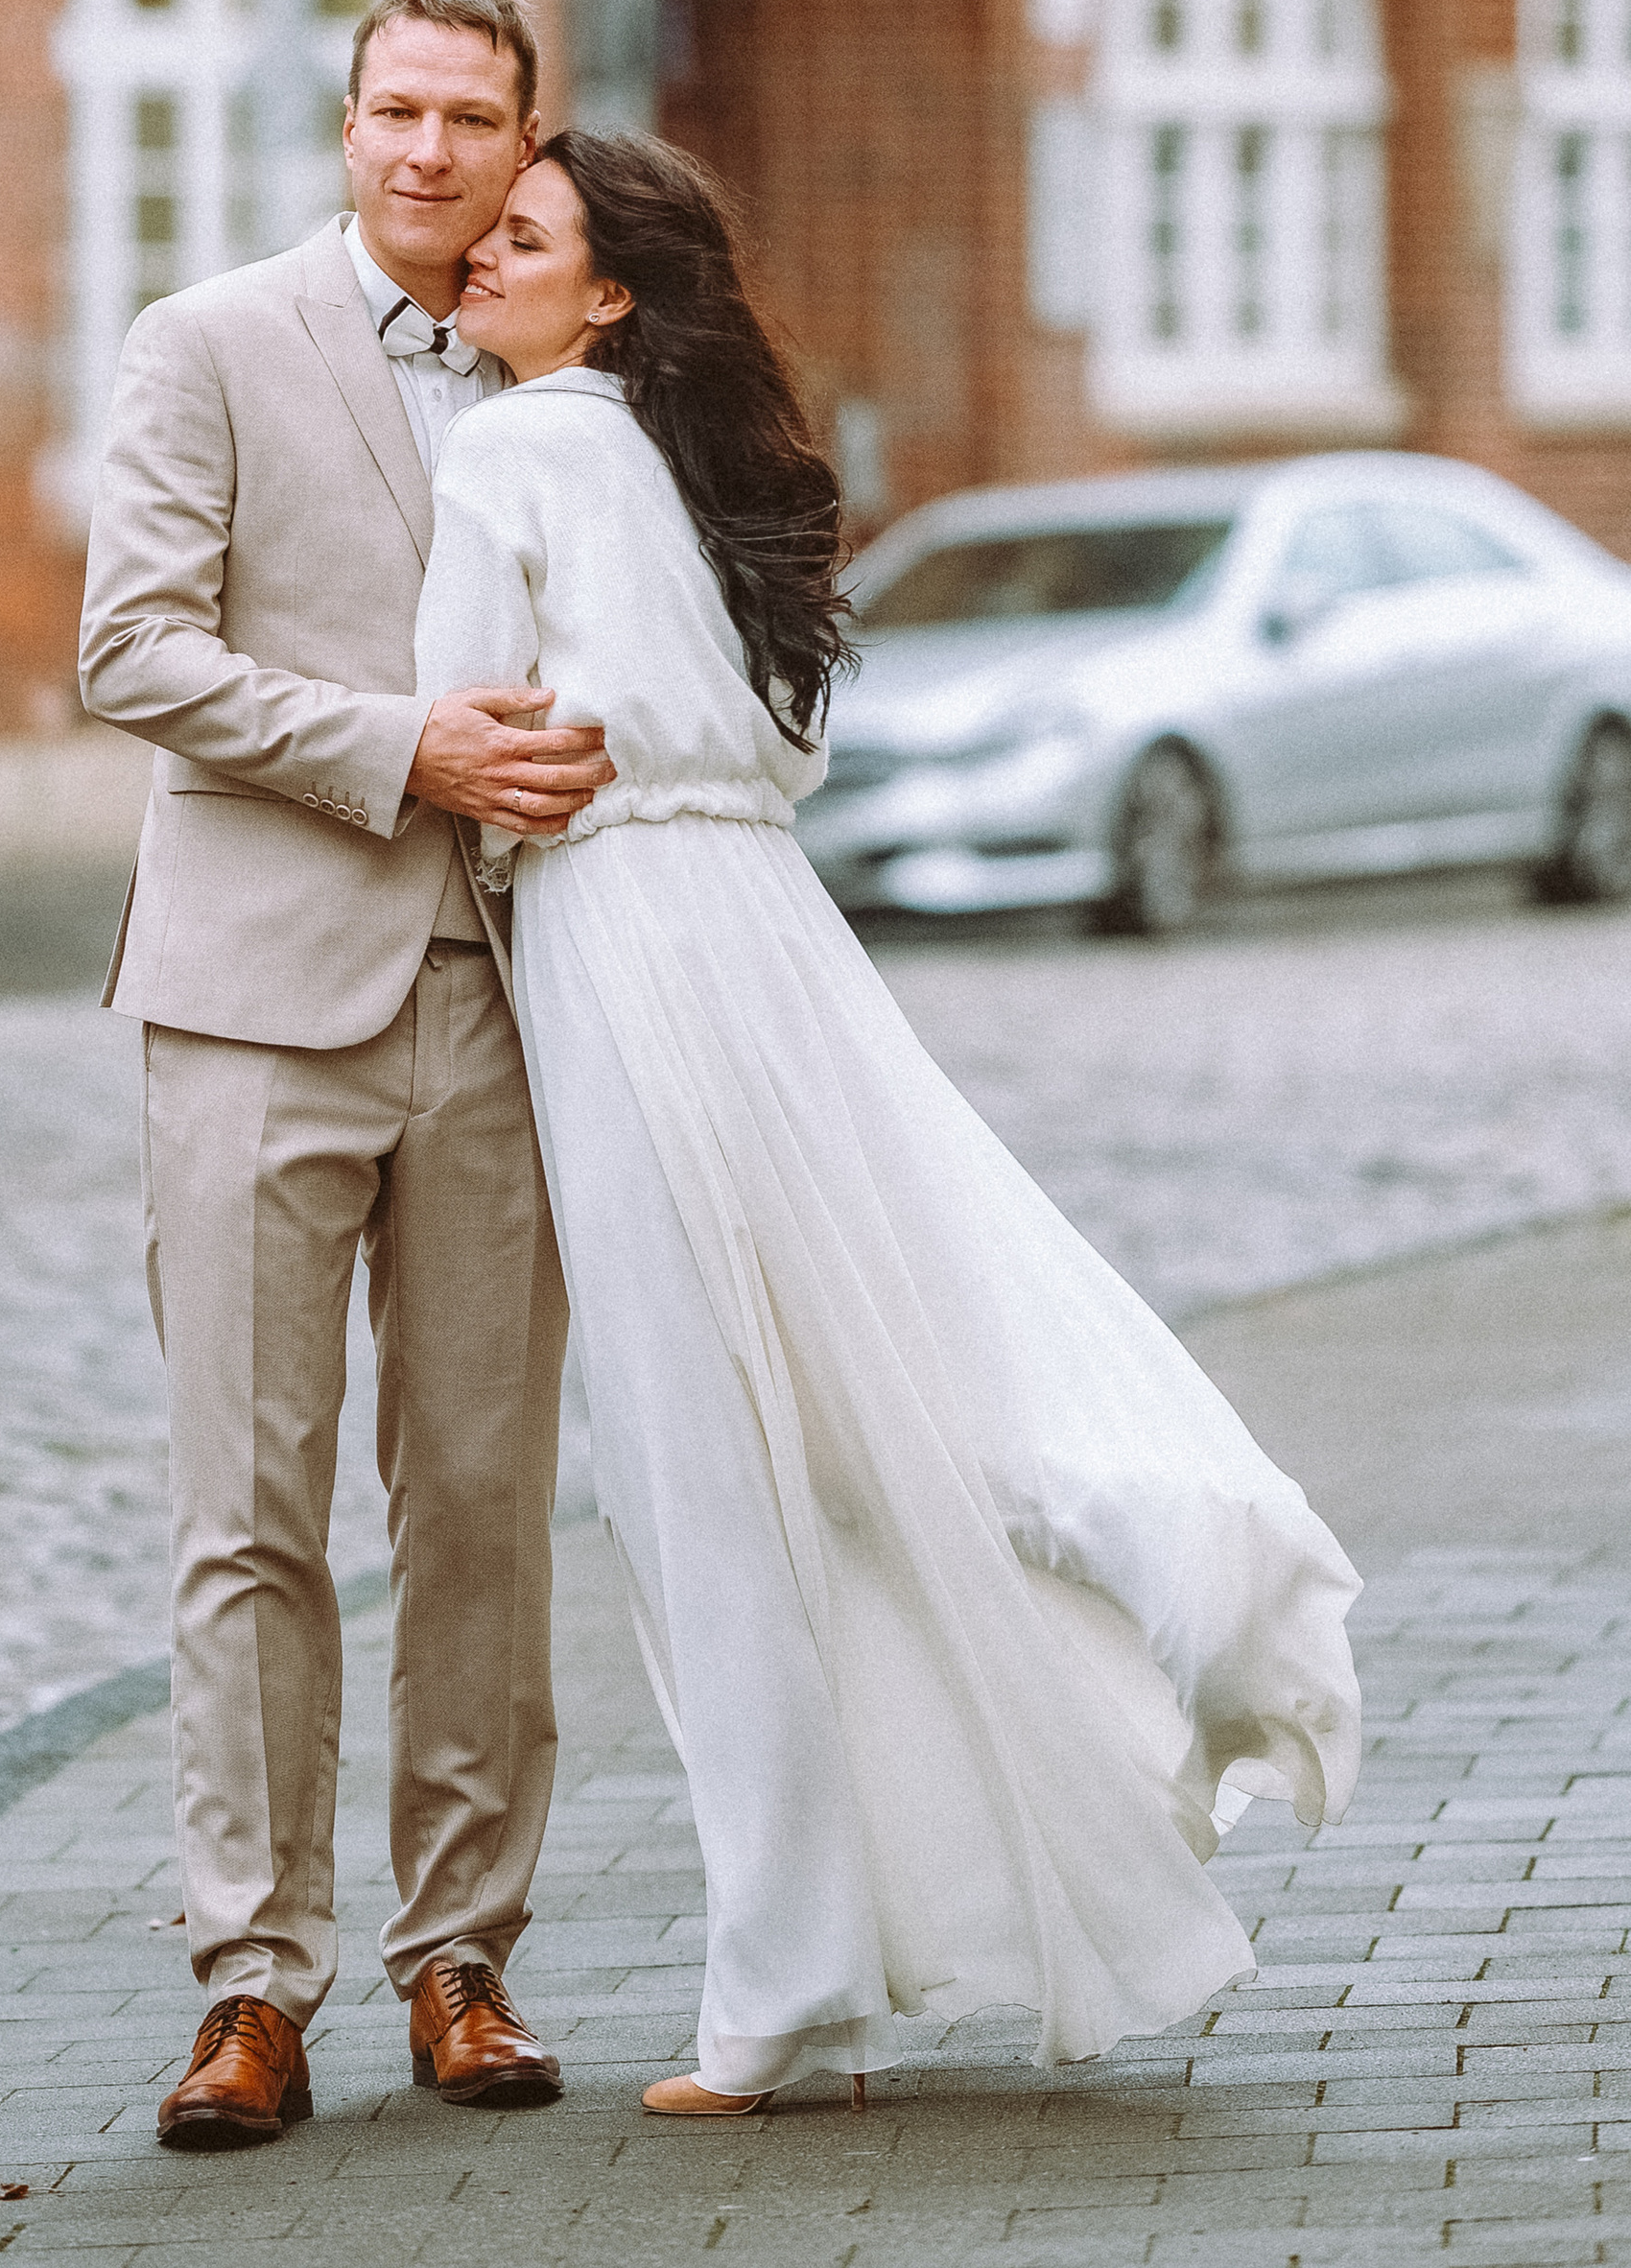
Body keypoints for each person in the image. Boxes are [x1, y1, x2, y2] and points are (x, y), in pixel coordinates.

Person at [414, 127, 1364, 2116]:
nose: (476, 256)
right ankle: (1143, 1534)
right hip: (768, 935)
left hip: (619, 942)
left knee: (706, 1466)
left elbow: (468, 743)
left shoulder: (503, 452)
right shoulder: (709, 471)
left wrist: (499, 815)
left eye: (521, 238)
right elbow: (789, 742)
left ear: (605, 293)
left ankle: (776, 1991)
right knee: (863, 1387)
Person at [79, 0, 615, 2152]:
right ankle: (248, 1981)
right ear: (343, 125)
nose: (423, 149)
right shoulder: (203, 342)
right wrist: (396, 748)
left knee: (479, 1502)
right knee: (251, 1514)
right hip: (247, 1004)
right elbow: (130, 644)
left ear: (519, 146)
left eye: (466, 120)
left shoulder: (570, 366)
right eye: (392, 110)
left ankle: (459, 1957)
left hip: (499, 1006)